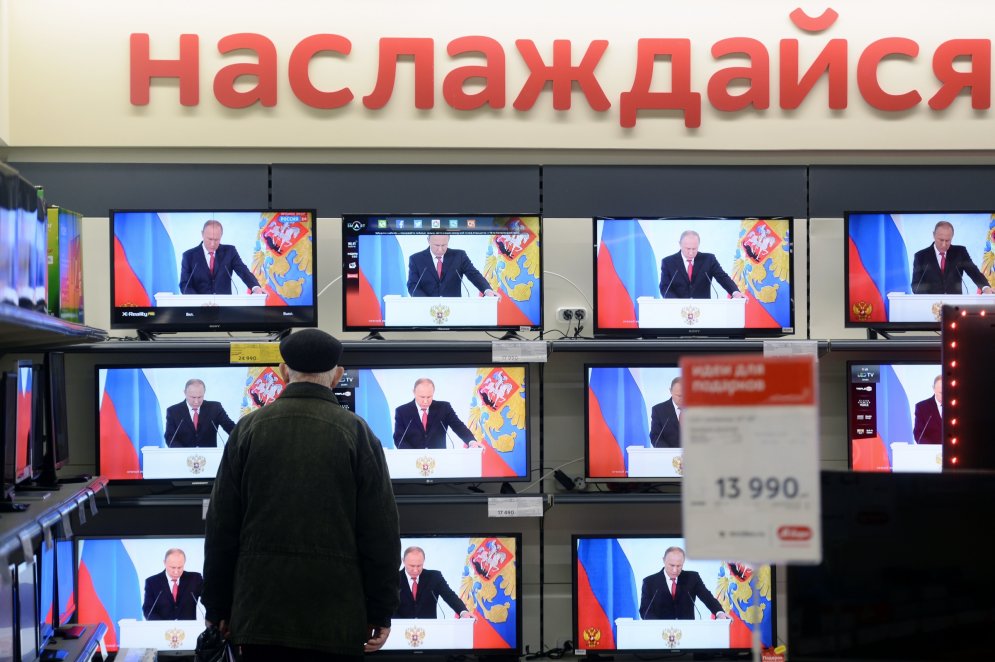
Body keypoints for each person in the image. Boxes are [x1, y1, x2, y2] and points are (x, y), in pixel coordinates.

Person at [202, 329, 400, 661]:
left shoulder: (247, 430)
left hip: (259, 616)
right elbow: (380, 533)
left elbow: (221, 527)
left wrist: (217, 606)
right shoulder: (358, 434)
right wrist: (381, 610)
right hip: (336, 619)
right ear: (336, 375)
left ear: (283, 372)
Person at [639, 547, 730, 621]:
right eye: (672, 565)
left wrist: (719, 612)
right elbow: (645, 611)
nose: (675, 570)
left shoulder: (692, 578)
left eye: (679, 566)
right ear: (663, 560)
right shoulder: (649, 582)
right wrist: (661, 627)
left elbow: (707, 597)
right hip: (660, 633)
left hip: (688, 632)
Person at [178, 219, 265, 295]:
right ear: (202, 234)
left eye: (216, 240)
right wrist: (199, 302)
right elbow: (185, 285)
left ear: (221, 236)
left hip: (225, 306)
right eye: (210, 239)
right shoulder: (189, 256)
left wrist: (255, 287)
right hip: (199, 307)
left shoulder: (230, 252)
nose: (213, 244)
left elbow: (243, 271)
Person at [911, 221, 994, 295]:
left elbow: (974, 272)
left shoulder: (960, 252)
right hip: (930, 304)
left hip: (955, 304)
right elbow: (916, 285)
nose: (944, 244)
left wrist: (985, 287)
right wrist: (929, 300)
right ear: (933, 235)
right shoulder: (920, 256)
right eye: (941, 240)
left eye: (947, 240)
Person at [393, 378, 478, 449]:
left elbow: (458, 426)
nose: (425, 401)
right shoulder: (402, 411)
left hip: (439, 460)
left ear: (433, 392)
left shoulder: (444, 408)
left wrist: (471, 441)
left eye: (429, 397)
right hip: (412, 460)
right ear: (414, 392)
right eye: (422, 397)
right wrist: (414, 456)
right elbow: (399, 438)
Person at [659, 230, 745, 300]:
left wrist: (735, 292)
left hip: (704, 310)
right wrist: (678, 304)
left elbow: (722, 277)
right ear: (680, 244)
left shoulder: (709, 259)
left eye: (694, 249)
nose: (691, 252)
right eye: (688, 249)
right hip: (677, 310)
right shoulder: (668, 262)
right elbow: (665, 288)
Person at [407, 234, 500, 298]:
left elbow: (473, 274)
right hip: (426, 310)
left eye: (444, 245)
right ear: (428, 241)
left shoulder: (459, 256)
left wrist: (487, 290)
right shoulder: (416, 259)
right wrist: (428, 303)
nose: (440, 249)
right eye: (437, 245)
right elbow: (412, 285)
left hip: (454, 310)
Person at [395, 546, 471, 619]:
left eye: (419, 566)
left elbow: (449, 596)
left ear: (423, 561)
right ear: (403, 561)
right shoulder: (393, 579)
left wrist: (463, 612)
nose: (415, 570)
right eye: (412, 566)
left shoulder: (434, 577)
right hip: (398, 626)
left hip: (429, 627)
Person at [163, 379, 235, 448]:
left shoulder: (215, 408)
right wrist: (184, 453)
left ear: (204, 392)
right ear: (185, 393)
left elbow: (231, 428)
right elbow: (170, 437)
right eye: (193, 397)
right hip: (182, 455)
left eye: (200, 397)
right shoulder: (173, 411)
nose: (196, 401)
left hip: (210, 455)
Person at [142, 548, 203, 621]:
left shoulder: (195, 579)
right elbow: (148, 610)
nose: (176, 572)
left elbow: (209, 599)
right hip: (162, 627)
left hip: (189, 627)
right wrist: (163, 625)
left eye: (180, 567)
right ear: (164, 563)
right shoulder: (152, 582)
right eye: (173, 567)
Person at [649, 377, 683, 448]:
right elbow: (655, 437)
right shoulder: (658, 410)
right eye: (679, 395)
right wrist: (669, 452)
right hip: (668, 454)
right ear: (670, 391)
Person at [913, 375, 943, 444]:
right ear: (934, 389)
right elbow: (918, 434)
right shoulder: (922, 407)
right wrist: (932, 448)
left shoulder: (957, 406)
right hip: (931, 449)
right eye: (941, 392)